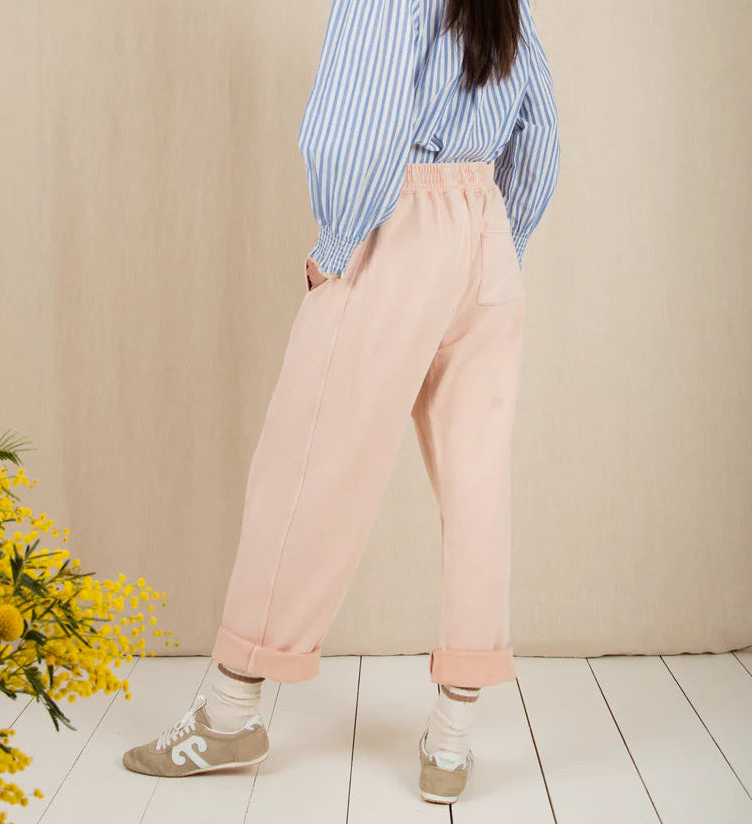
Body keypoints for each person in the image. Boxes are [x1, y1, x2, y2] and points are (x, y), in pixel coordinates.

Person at [122, 0, 559, 805]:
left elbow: (359, 115)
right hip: (484, 232)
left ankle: (228, 716)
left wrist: (336, 242)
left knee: (307, 468)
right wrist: (501, 241)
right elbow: (540, 129)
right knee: (476, 487)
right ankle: (452, 741)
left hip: (398, 226)